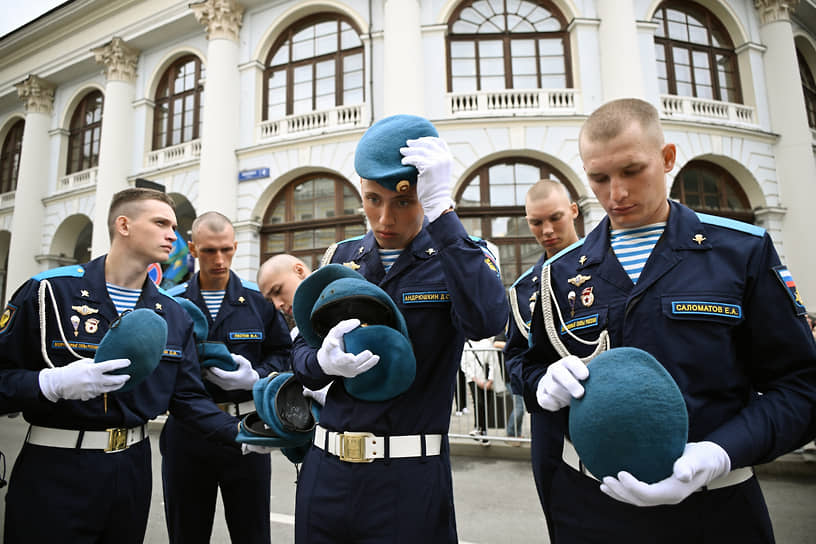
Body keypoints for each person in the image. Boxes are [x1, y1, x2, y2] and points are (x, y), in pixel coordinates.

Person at [520, 98, 816, 543]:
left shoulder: (740, 253)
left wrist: (719, 453)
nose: (615, 193)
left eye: (632, 171)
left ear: (667, 158)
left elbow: (801, 387)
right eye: (598, 178)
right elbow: (526, 364)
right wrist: (543, 383)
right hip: (590, 509)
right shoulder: (558, 272)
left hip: (713, 509)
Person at [291, 114, 508, 543]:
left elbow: (487, 320)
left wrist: (445, 213)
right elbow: (298, 353)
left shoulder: (461, 256)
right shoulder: (341, 256)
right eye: (373, 199)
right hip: (326, 473)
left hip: (406, 480)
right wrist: (322, 361)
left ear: (426, 194)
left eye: (403, 201)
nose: (384, 217)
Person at [0, 188, 243, 543]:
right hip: (56, 467)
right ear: (124, 225)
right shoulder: (49, 292)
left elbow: (188, 398)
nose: (173, 235)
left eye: (174, 226)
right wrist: (49, 384)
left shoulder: (172, 314)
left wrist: (244, 433)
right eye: (161, 223)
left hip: (131, 469)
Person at [161, 211, 292, 544]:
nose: (219, 259)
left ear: (235, 246)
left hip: (247, 429)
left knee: (252, 533)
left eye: (225, 250)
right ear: (192, 248)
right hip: (187, 435)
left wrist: (256, 377)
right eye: (208, 251)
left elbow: (284, 354)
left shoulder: (259, 301)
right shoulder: (171, 303)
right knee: (187, 532)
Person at [503, 179, 580, 533]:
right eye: (536, 222)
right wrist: (540, 383)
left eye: (556, 218)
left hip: (611, 414)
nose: (546, 230)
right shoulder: (522, 290)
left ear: (574, 211)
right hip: (550, 426)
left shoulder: (607, 265)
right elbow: (514, 362)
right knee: (563, 522)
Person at [461, 336, 506, 446]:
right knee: (479, 403)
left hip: (487, 380)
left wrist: (490, 380)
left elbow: (492, 363)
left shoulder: (486, 343)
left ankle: (483, 433)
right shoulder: (466, 345)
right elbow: (464, 365)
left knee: (485, 406)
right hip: (473, 380)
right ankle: (478, 428)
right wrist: (476, 380)